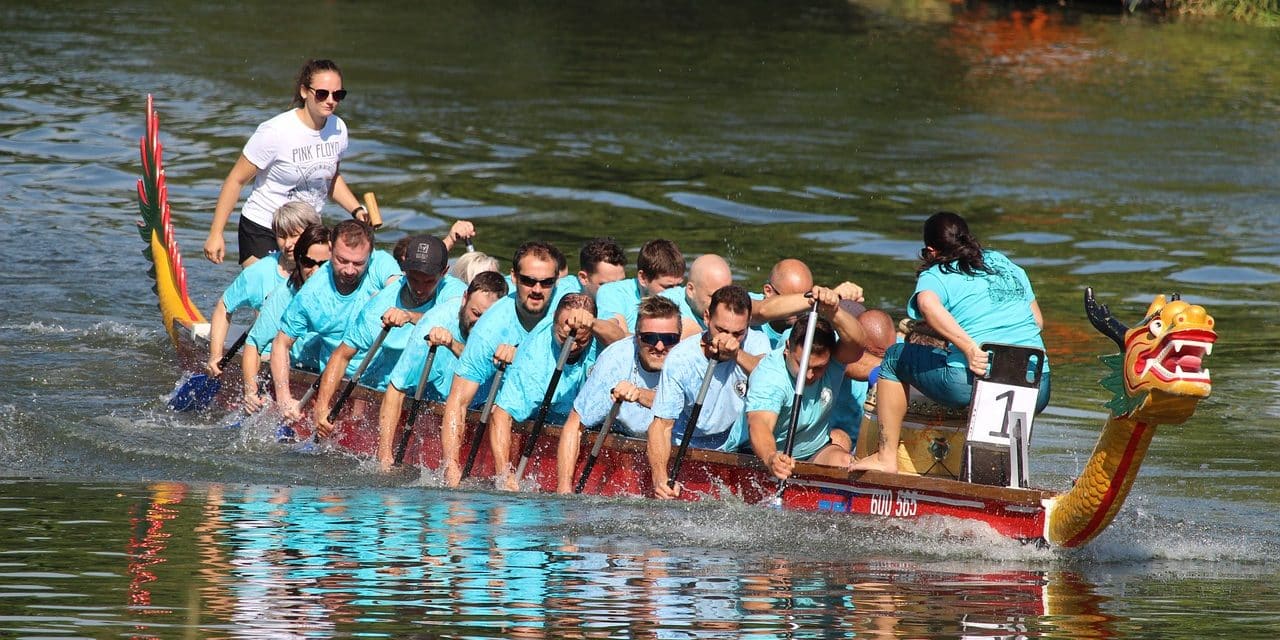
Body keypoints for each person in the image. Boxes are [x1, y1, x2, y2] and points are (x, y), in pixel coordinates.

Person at [851, 211, 1050, 474]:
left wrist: (967, 347)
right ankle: (1008, 474)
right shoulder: (1005, 264)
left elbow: (927, 305)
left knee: (894, 357)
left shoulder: (937, 272)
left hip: (967, 382)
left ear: (931, 251)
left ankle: (885, 458)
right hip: (1039, 384)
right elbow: (1037, 322)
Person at [204, 59, 365, 267]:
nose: (331, 100)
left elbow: (330, 177)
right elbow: (236, 180)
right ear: (305, 91)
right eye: (323, 93)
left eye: (338, 95)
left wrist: (357, 210)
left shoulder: (338, 129)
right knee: (269, 294)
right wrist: (216, 233)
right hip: (263, 228)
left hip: (306, 233)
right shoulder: (275, 131)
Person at [312, 235, 466, 437]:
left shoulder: (457, 292)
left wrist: (411, 316)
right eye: (413, 278)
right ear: (404, 269)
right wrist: (322, 407)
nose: (419, 288)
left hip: (442, 384)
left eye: (429, 281)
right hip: (391, 385)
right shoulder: (379, 307)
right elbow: (342, 355)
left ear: (444, 272)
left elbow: (451, 319)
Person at [439, 241, 565, 487]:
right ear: (514, 277)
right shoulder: (491, 328)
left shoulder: (569, 303)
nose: (537, 289)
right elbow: (458, 401)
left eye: (546, 282)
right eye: (529, 281)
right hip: (512, 411)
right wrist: (452, 467)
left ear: (556, 281)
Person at [647, 285, 771, 498]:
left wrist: (736, 354)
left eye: (738, 333)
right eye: (721, 331)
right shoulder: (680, 359)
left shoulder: (757, 342)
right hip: (690, 440)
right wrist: (659, 477)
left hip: (738, 442)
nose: (727, 340)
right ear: (706, 318)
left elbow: (769, 378)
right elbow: (661, 426)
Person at [376, 271, 509, 470]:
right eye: (476, 314)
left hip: (484, 406)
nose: (481, 323)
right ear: (464, 299)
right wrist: (385, 452)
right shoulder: (433, 324)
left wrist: (454, 345)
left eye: (488, 318)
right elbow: (396, 389)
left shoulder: (509, 323)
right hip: (441, 405)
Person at [270, 220, 399, 420]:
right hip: (338, 378)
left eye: (358, 263)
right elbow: (281, 344)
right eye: (341, 260)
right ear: (330, 249)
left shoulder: (381, 263)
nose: (349, 270)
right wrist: (284, 399)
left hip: (384, 377)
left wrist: (387, 299)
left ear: (370, 255)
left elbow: (400, 289)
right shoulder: (311, 294)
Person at [555, 295, 682, 493]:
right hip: (623, 432)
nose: (659, 347)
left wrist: (640, 394)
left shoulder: (688, 360)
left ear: (679, 338)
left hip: (678, 443)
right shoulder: (616, 358)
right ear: (637, 336)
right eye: (650, 338)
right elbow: (575, 425)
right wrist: (564, 489)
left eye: (669, 339)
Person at [744, 288, 872, 481]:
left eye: (819, 368)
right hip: (759, 454)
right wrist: (771, 458)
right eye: (802, 365)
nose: (809, 375)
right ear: (787, 348)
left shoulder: (834, 361)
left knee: (846, 462)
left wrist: (834, 311)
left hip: (816, 450)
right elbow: (759, 424)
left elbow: (858, 343)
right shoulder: (770, 376)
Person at [488, 293, 600, 491]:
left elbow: (619, 334)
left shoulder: (599, 328)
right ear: (554, 324)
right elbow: (501, 415)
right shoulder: (534, 360)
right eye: (563, 338)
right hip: (544, 414)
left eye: (580, 341)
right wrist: (504, 474)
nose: (572, 346)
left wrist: (596, 325)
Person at [206, 202, 321, 376]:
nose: (288, 244)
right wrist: (215, 356)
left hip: (316, 360)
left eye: (295, 235)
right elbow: (224, 307)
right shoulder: (260, 272)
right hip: (270, 359)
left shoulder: (328, 268)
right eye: (282, 236)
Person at [239, 223, 331, 412]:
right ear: (299, 261)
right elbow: (254, 344)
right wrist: (251, 392)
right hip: (299, 370)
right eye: (308, 263)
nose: (315, 271)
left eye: (323, 265)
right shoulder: (285, 294)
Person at [594, 238, 685, 344]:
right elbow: (617, 339)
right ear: (643, 278)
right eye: (667, 287)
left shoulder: (683, 294)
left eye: (679, 285)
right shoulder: (612, 292)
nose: (675, 293)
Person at [661, 253, 734, 338]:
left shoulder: (736, 300)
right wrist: (699, 333)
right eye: (714, 297)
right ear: (691, 290)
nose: (723, 304)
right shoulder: (666, 301)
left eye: (727, 296)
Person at [749, 258, 815, 349]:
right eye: (790, 301)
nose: (798, 310)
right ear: (768, 291)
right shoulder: (747, 302)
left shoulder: (813, 324)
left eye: (803, 302)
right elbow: (760, 311)